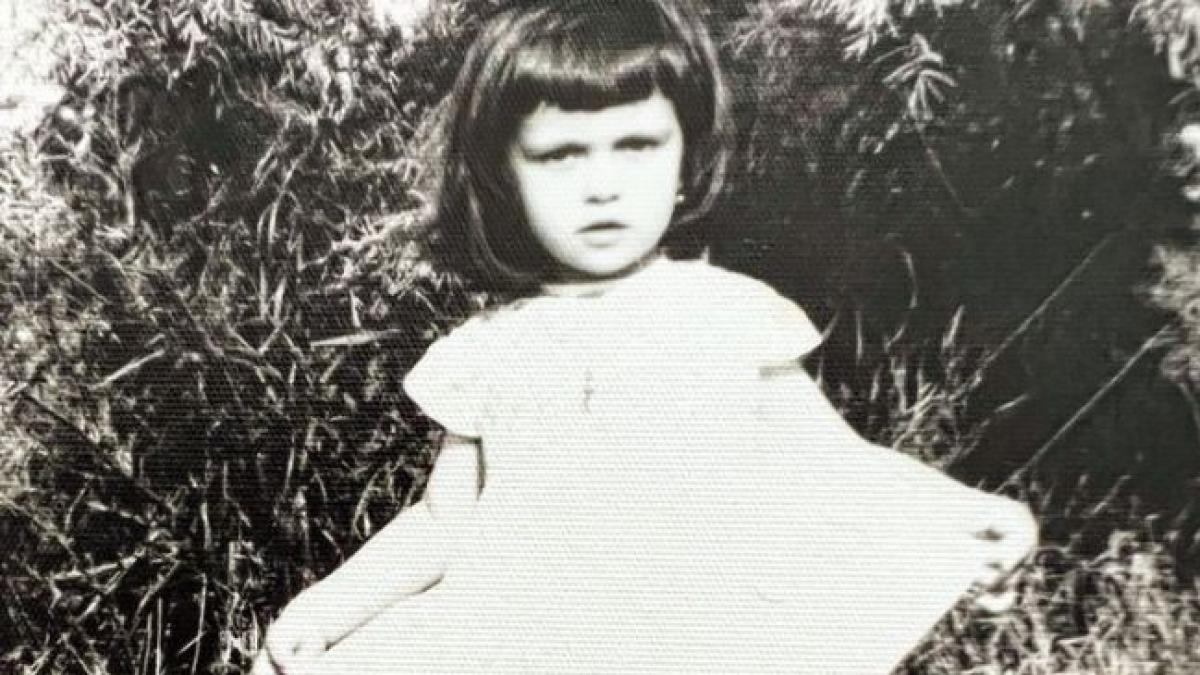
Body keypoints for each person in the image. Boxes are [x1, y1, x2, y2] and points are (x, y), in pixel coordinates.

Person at [253, 0, 1039, 672]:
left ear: (686, 156)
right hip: (527, 645)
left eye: (637, 145)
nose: (603, 185)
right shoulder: (490, 352)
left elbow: (838, 466)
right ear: (502, 177)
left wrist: (959, 511)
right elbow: (440, 523)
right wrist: (325, 609)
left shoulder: (727, 317)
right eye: (561, 155)